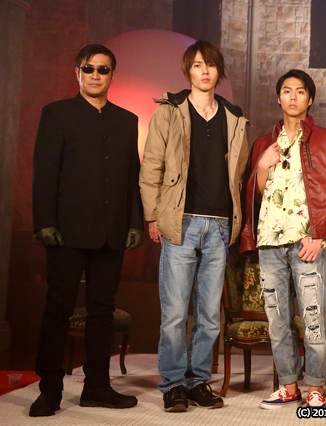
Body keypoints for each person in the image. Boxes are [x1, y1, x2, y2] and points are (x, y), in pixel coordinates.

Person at [30, 44, 143, 417]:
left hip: (111, 234)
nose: (96, 74)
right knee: (57, 310)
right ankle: (49, 390)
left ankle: (96, 387)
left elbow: (132, 178)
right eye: (89, 68)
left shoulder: (126, 120)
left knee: (102, 312)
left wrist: (134, 222)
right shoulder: (56, 114)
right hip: (66, 233)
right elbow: (44, 172)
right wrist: (45, 222)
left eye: (103, 69)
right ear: (77, 72)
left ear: (112, 75)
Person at [139, 40, 249, 412]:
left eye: (210, 65)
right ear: (188, 71)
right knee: (174, 312)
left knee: (209, 314)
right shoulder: (169, 112)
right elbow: (151, 167)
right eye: (198, 65)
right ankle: (173, 384)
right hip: (180, 220)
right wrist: (153, 215)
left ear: (219, 71)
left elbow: (238, 174)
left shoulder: (234, 117)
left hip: (219, 224)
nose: (204, 71)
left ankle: (198, 380)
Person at [240, 69, 326, 409]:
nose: (292, 96)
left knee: (314, 316)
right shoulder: (264, 143)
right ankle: (288, 385)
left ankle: (315, 387)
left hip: (307, 243)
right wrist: (262, 166)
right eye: (286, 91)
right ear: (278, 97)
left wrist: (321, 236)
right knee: (277, 320)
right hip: (270, 242)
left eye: (300, 91)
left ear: (309, 98)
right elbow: (255, 197)